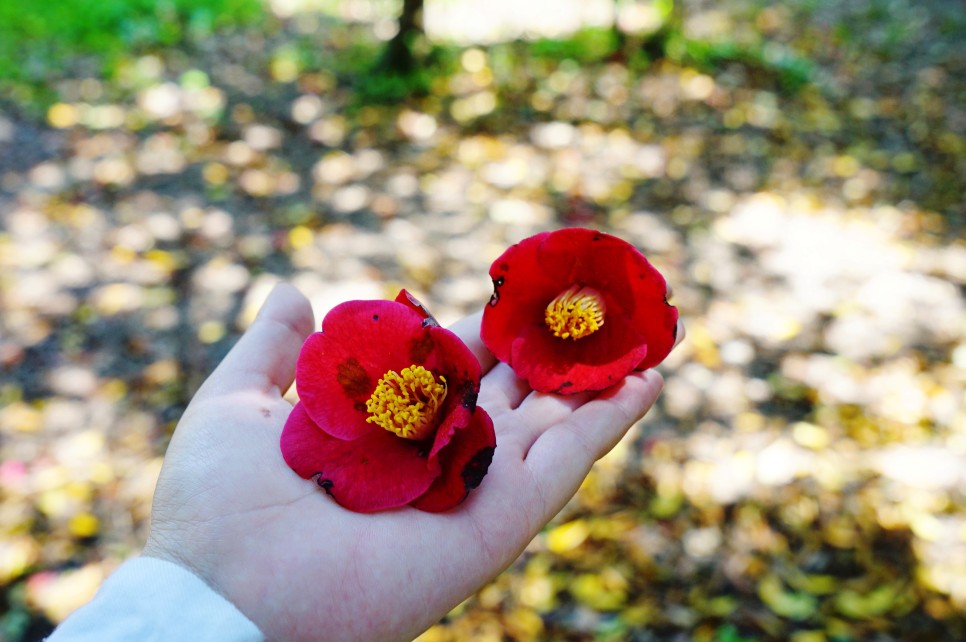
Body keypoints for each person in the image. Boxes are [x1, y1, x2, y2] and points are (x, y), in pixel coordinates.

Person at [49, 283, 680, 641]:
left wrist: (199, 595)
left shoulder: (457, 397)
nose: (400, 400)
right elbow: (328, 407)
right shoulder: (356, 436)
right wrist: (201, 580)